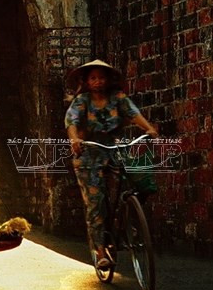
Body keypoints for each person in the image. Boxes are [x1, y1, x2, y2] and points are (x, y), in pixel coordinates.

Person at [65, 59, 158, 271]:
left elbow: (134, 114)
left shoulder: (118, 98)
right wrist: (74, 139)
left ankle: (128, 225)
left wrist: (149, 128)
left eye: (101, 77)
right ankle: (99, 251)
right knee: (96, 202)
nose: (98, 81)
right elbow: (72, 121)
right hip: (89, 154)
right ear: (87, 82)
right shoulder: (82, 101)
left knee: (133, 185)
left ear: (108, 80)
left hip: (115, 150)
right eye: (93, 78)